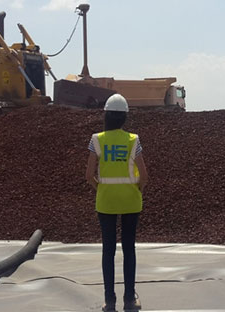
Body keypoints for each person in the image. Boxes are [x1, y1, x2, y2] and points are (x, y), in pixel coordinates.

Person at [86, 94, 148, 312]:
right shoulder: (133, 140)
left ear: (106, 115)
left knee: (108, 251)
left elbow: (88, 175)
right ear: (124, 118)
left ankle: (109, 301)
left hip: (106, 203)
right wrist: (135, 190)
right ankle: (130, 299)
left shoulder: (96, 140)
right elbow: (145, 176)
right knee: (129, 249)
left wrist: (102, 188)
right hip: (131, 202)